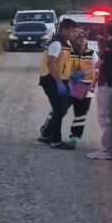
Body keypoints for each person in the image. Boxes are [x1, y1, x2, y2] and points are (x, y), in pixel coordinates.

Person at [88, 18, 112, 160]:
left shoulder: (109, 45)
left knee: (106, 118)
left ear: (106, 30)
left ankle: (107, 150)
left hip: (107, 85)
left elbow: (98, 65)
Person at [38, 18, 77, 150]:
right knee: (59, 109)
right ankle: (55, 140)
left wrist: (71, 77)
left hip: (60, 80)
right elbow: (51, 63)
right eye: (72, 31)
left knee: (62, 108)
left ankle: (46, 133)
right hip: (52, 80)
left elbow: (64, 64)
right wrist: (59, 82)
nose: (73, 34)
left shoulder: (65, 44)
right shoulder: (57, 43)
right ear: (65, 30)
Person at [64, 29, 95, 146]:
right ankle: (48, 131)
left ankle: (75, 136)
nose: (82, 40)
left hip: (83, 85)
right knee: (60, 109)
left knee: (80, 113)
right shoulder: (69, 52)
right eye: (79, 38)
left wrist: (92, 85)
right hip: (69, 84)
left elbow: (96, 70)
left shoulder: (91, 53)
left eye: (84, 38)